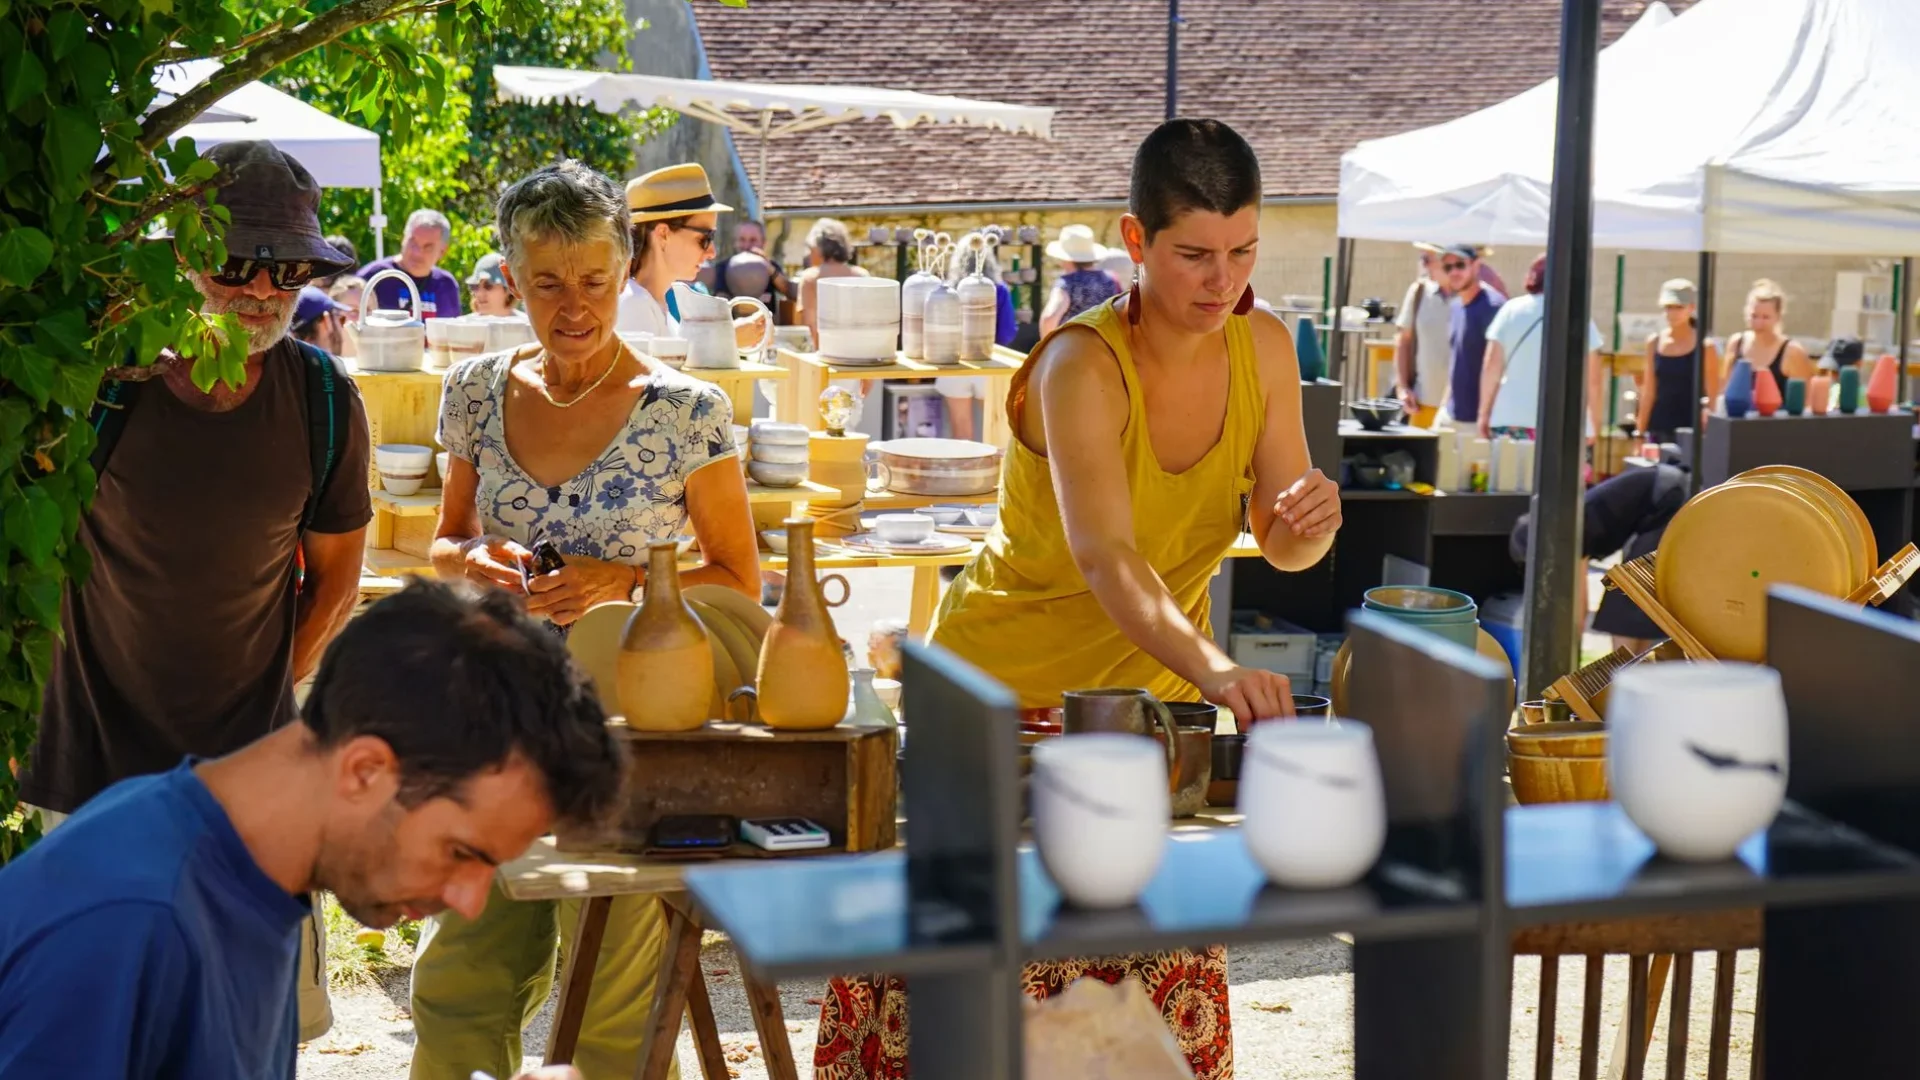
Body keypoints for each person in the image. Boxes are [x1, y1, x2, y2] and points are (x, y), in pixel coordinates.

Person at [816, 120, 1343, 1080]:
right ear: (1135, 245)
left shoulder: (1265, 348)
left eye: (1242, 253)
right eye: (1193, 256)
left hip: (1136, 716)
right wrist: (1221, 670)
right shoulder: (1080, 365)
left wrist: (1311, 523)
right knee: (974, 1024)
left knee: (1144, 1026)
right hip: (996, 710)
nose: (1221, 281)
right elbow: (1109, 559)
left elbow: (1281, 537)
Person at [412, 159, 760, 1080]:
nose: (573, 304)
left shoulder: (687, 411)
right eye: (547, 282)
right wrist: (470, 560)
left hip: (626, 738)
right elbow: (445, 541)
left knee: (613, 1005)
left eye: (595, 281)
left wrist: (628, 581)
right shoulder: (475, 391)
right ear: (513, 278)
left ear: (623, 266)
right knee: (456, 986)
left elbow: (737, 580)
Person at [20, 139, 371, 1044]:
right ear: (180, 254)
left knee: (249, 1033)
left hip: (250, 775)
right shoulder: (96, 381)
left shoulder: (325, 399)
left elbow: (335, 583)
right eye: (236, 265)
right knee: (92, 1030)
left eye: (286, 271)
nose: (261, 292)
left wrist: (259, 703)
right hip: (91, 759)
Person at [0, 580, 615, 1080]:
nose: (470, 900)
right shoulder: (130, 918)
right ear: (365, 770)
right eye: (460, 852)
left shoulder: (250, 861)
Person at [1510, 462, 1689, 654]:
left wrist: (1569, 648)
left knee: (1628, 591)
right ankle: (1631, 667)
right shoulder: (1557, 523)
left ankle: (1622, 672)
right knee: (1638, 590)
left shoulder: (1564, 536)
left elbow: (1578, 606)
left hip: (1666, 493)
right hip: (1665, 489)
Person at [616, 162, 765, 349]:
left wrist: (727, 338)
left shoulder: (652, 302)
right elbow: (659, 376)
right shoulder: (635, 304)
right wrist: (727, 340)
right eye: (704, 238)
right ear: (663, 234)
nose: (712, 252)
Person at [1478, 253, 1606, 441]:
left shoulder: (1511, 309)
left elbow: (1492, 367)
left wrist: (1484, 413)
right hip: (1565, 421)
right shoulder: (1578, 315)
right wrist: (1594, 423)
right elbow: (1593, 379)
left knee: (1511, 470)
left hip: (1512, 418)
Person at [935, 230, 1020, 440]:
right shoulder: (998, 290)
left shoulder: (948, 289)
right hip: (988, 363)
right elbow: (1008, 331)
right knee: (996, 429)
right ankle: (997, 473)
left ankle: (966, 473)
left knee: (961, 429)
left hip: (954, 363)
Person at [1635, 278, 1721, 448]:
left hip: (1692, 430)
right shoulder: (1654, 342)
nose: (1672, 313)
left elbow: (1713, 396)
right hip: (1658, 429)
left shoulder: (1705, 346)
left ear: (1691, 308)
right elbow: (1649, 392)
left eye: (1678, 307)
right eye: (1668, 307)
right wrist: (1639, 433)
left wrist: (1712, 432)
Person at [1433, 243, 1506, 426]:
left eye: (1460, 265)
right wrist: (1442, 408)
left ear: (1476, 265)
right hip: (1450, 416)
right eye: (1448, 267)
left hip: (1479, 422)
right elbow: (1457, 362)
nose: (1454, 272)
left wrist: (1486, 417)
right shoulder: (1456, 306)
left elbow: (1501, 367)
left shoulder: (1493, 307)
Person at [358, 208, 463, 318]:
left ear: (442, 251)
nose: (417, 252)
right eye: (413, 242)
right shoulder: (374, 278)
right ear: (403, 238)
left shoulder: (446, 285)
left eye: (428, 247)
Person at [1394, 243, 1452, 426]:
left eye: (1428, 259)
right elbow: (1404, 340)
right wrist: (1402, 387)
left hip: (1460, 410)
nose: (1424, 265)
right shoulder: (1419, 292)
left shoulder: (1475, 296)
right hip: (1422, 404)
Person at [1724, 278, 1813, 390]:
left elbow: (1806, 398)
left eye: (1766, 317)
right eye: (1754, 316)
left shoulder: (1792, 352)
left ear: (1778, 317)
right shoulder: (1736, 344)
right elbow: (1725, 388)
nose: (1758, 323)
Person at [1039, 223, 1123, 334]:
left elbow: (1049, 318)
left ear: (1065, 258)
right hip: (1105, 346)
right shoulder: (1111, 279)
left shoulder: (1067, 283)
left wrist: (1046, 346)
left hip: (1072, 346)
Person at [794, 216, 869, 338]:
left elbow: (809, 324)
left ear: (817, 247)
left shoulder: (810, 278)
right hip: (859, 349)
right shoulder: (862, 276)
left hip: (824, 352)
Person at [712, 217, 793, 312]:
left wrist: (770, 270)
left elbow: (788, 291)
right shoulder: (723, 267)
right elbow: (720, 299)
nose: (747, 246)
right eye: (742, 240)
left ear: (763, 243)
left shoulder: (770, 266)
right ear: (735, 243)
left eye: (753, 240)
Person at [292, 284, 351, 355]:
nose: (342, 326)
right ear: (326, 321)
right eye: (340, 318)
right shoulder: (331, 364)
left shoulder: (286, 361)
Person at [466, 251, 519, 316]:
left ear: (509, 288)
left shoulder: (528, 324)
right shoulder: (463, 325)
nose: (479, 293)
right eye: (474, 286)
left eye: (488, 286)